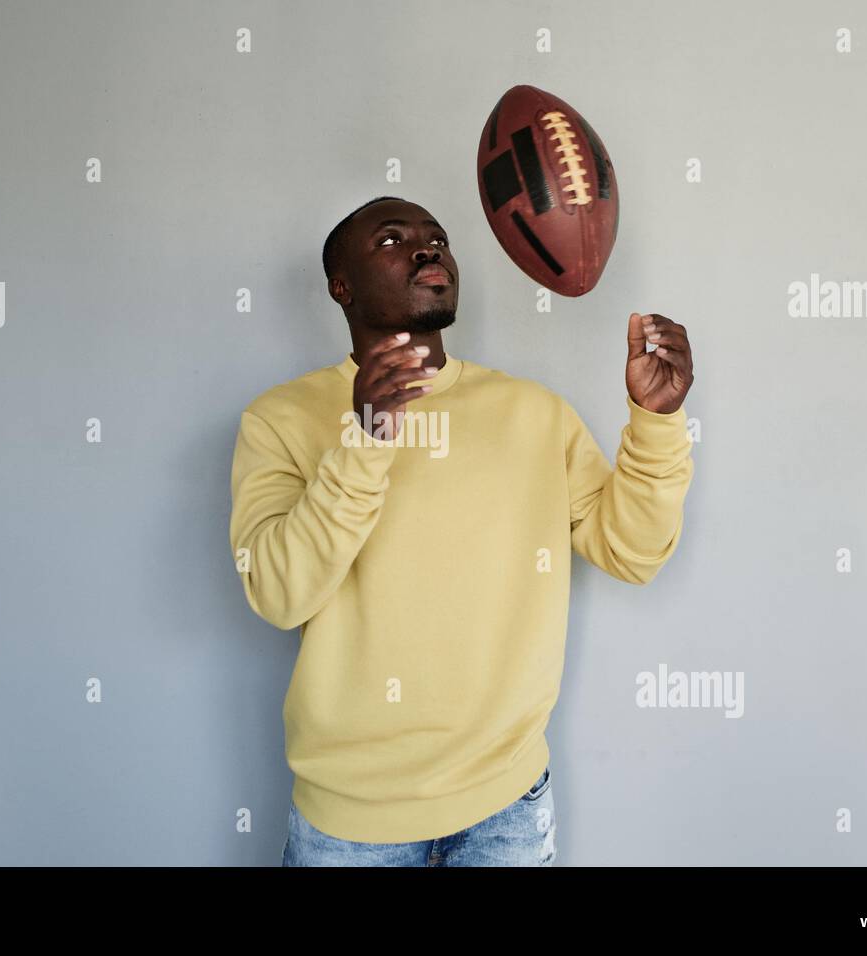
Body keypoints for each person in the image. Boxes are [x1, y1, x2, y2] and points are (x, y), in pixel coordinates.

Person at [229, 196, 696, 866]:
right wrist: (365, 440)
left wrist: (656, 423)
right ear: (341, 286)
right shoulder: (280, 418)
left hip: (507, 806)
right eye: (392, 240)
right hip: (352, 823)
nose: (427, 249)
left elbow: (633, 552)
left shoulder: (532, 411)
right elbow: (279, 595)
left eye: (437, 238)